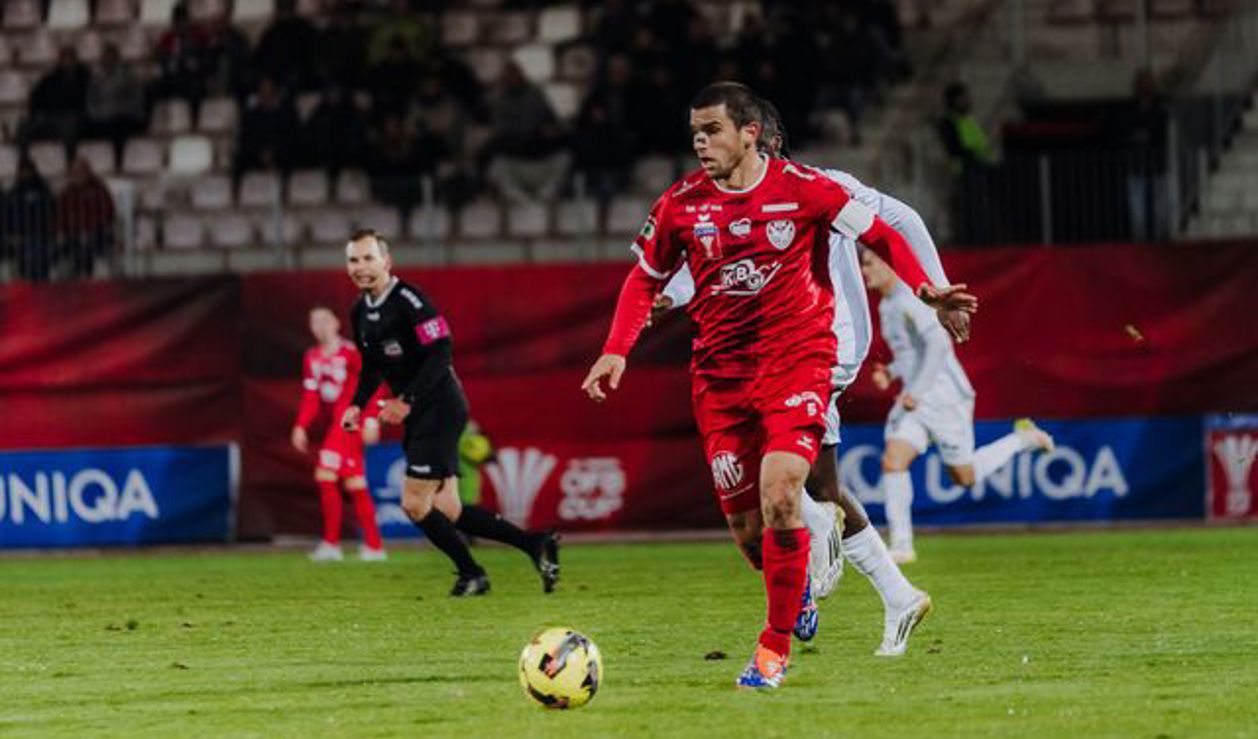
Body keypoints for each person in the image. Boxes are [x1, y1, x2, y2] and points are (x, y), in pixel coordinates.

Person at [581, 83, 976, 690]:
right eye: (694, 133)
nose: (700, 143)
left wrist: (928, 288)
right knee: (758, 521)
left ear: (751, 134)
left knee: (786, 490)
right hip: (721, 376)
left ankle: (774, 646)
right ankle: (833, 590)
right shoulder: (683, 204)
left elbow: (888, 228)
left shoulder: (812, 187)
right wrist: (617, 347)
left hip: (806, 356)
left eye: (711, 130)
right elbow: (663, 276)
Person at [341, 229, 559, 596]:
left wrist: (406, 399)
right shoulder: (359, 311)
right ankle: (535, 544)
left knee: (413, 504)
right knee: (449, 508)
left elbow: (441, 350)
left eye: (368, 258)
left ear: (386, 261)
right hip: (418, 413)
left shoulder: (410, 301)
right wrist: (356, 405)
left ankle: (471, 573)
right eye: (353, 259)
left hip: (440, 408)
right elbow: (372, 367)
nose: (361, 267)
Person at [862, 248, 1054, 562]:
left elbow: (939, 345)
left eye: (869, 263)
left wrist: (917, 391)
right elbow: (913, 353)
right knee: (892, 461)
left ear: (888, 264)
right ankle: (902, 545)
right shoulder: (887, 305)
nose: (864, 271)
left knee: (964, 477)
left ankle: (1023, 439)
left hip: (945, 399)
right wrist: (892, 372)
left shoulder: (912, 299)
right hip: (916, 399)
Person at [292, 306, 387, 563]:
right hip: (336, 424)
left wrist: (371, 420)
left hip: (350, 422)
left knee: (325, 474)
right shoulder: (312, 357)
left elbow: (375, 384)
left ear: (336, 323)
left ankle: (332, 544)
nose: (320, 326)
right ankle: (374, 546)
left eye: (324, 320)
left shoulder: (352, 352)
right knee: (354, 482)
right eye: (314, 322)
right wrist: (301, 425)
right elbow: (311, 396)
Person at [56, 156, 116, 279]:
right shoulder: (67, 192)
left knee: (93, 245)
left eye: (80, 171)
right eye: (74, 172)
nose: (77, 175)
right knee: (62, 251)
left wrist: (95, 227)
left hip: (96, 232)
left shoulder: (99, 189)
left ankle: (89, 278)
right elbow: (60, 215)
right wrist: (61, 230)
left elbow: (108, 211)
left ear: (87, 171)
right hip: (72, 234)